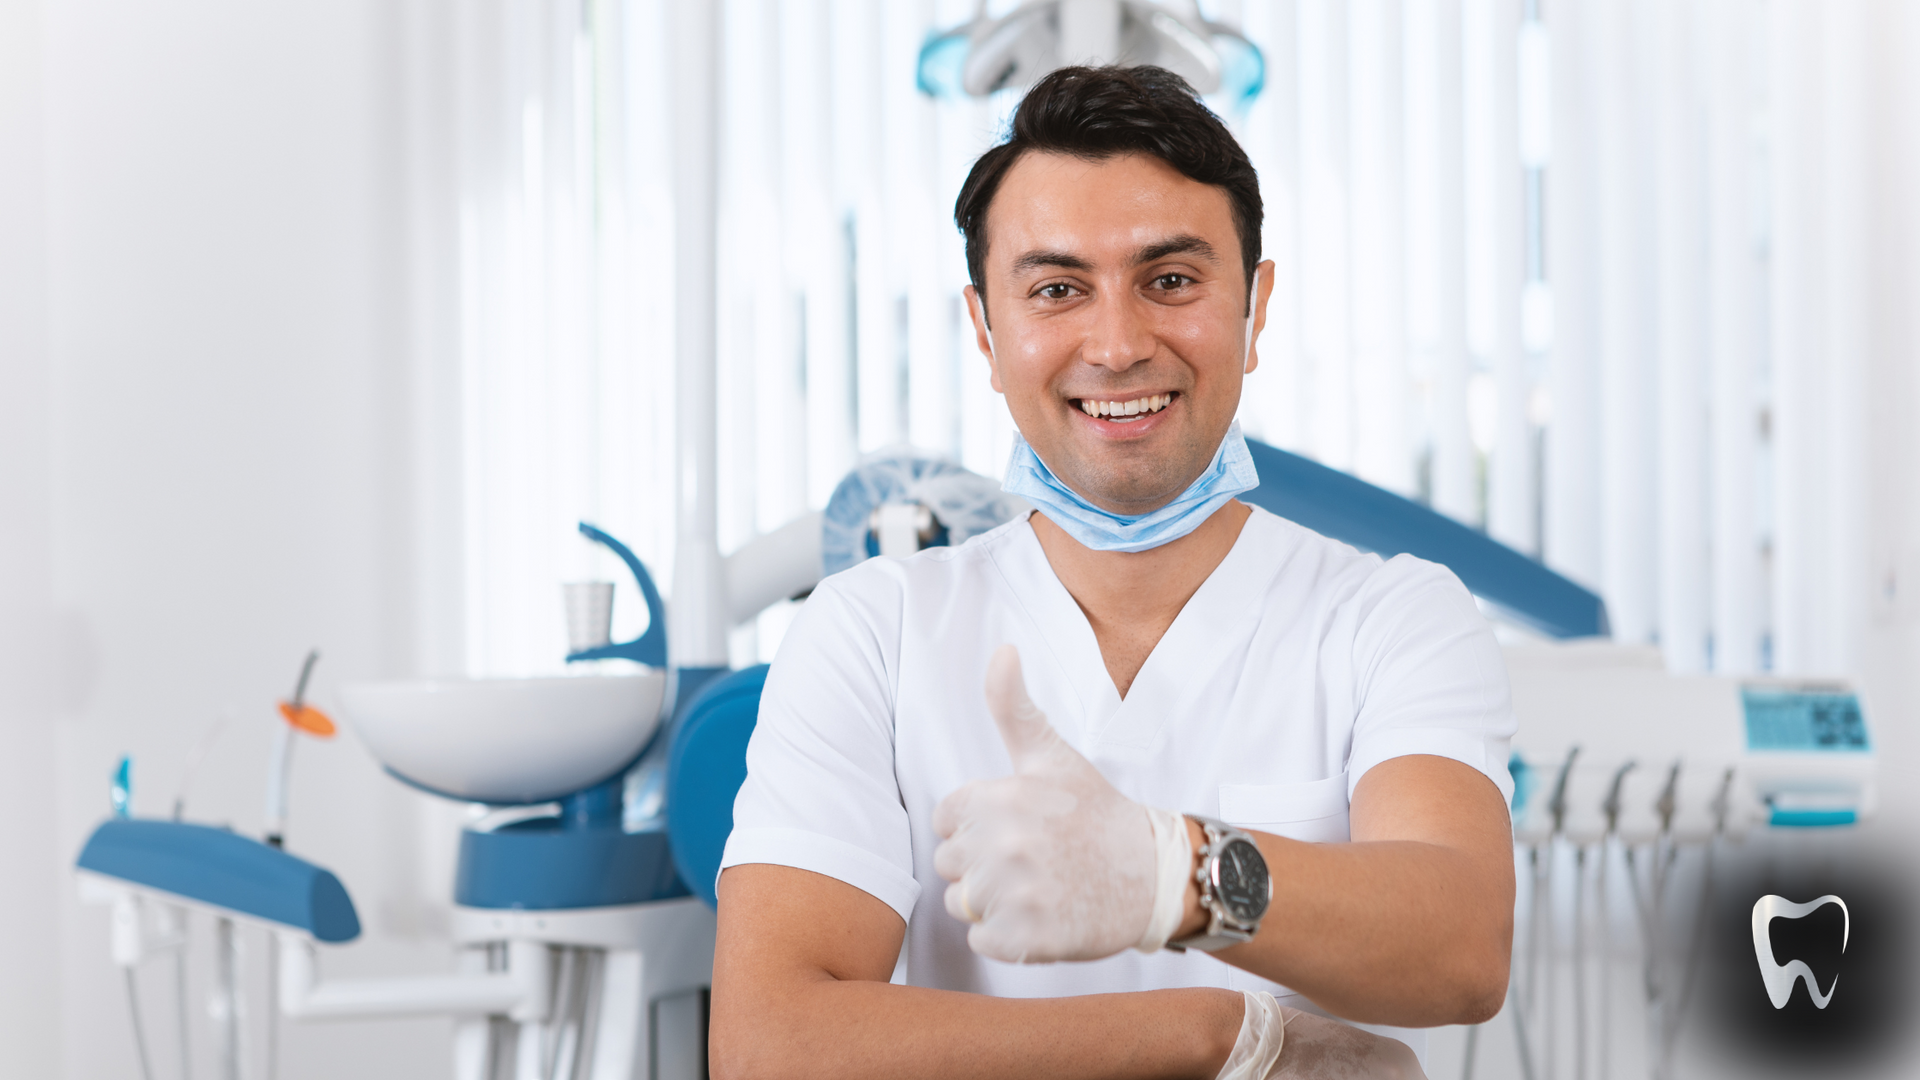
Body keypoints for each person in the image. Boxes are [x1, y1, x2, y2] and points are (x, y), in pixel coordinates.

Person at [709, 65, 1516, 1080]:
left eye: (1171, 281)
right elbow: (770, 1046)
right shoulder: (875, 631)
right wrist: (1217, 1030)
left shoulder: (1392, 617)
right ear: (986, 331)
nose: (1119, 343)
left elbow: (1461, 948)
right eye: (1056, 289)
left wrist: (1164, 870)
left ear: (1255, 308)